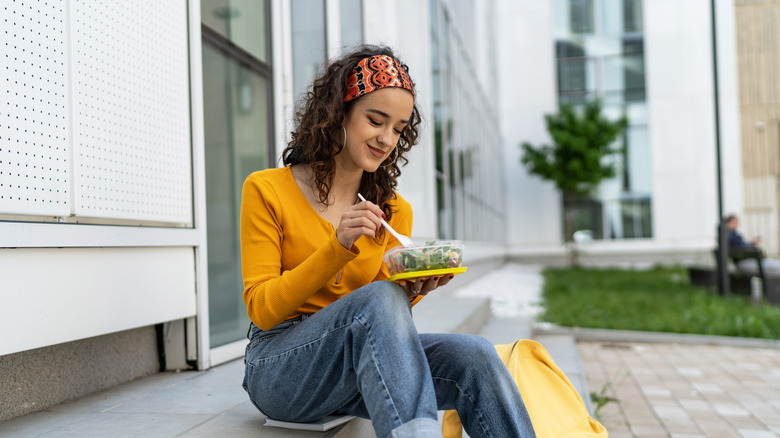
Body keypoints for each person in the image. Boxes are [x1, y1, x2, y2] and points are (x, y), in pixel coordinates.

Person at [239, 45, 536, 438]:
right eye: (376, 120)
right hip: (280, 366)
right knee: (377, 301)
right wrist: (337, 247)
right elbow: (261, 310)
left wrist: (412, 289)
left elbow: (382, 326)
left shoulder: (393, 211)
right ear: (338, 113)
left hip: (356, 364)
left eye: (398, 128)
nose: (386, 139)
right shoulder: (266, 189)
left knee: (475, 356)